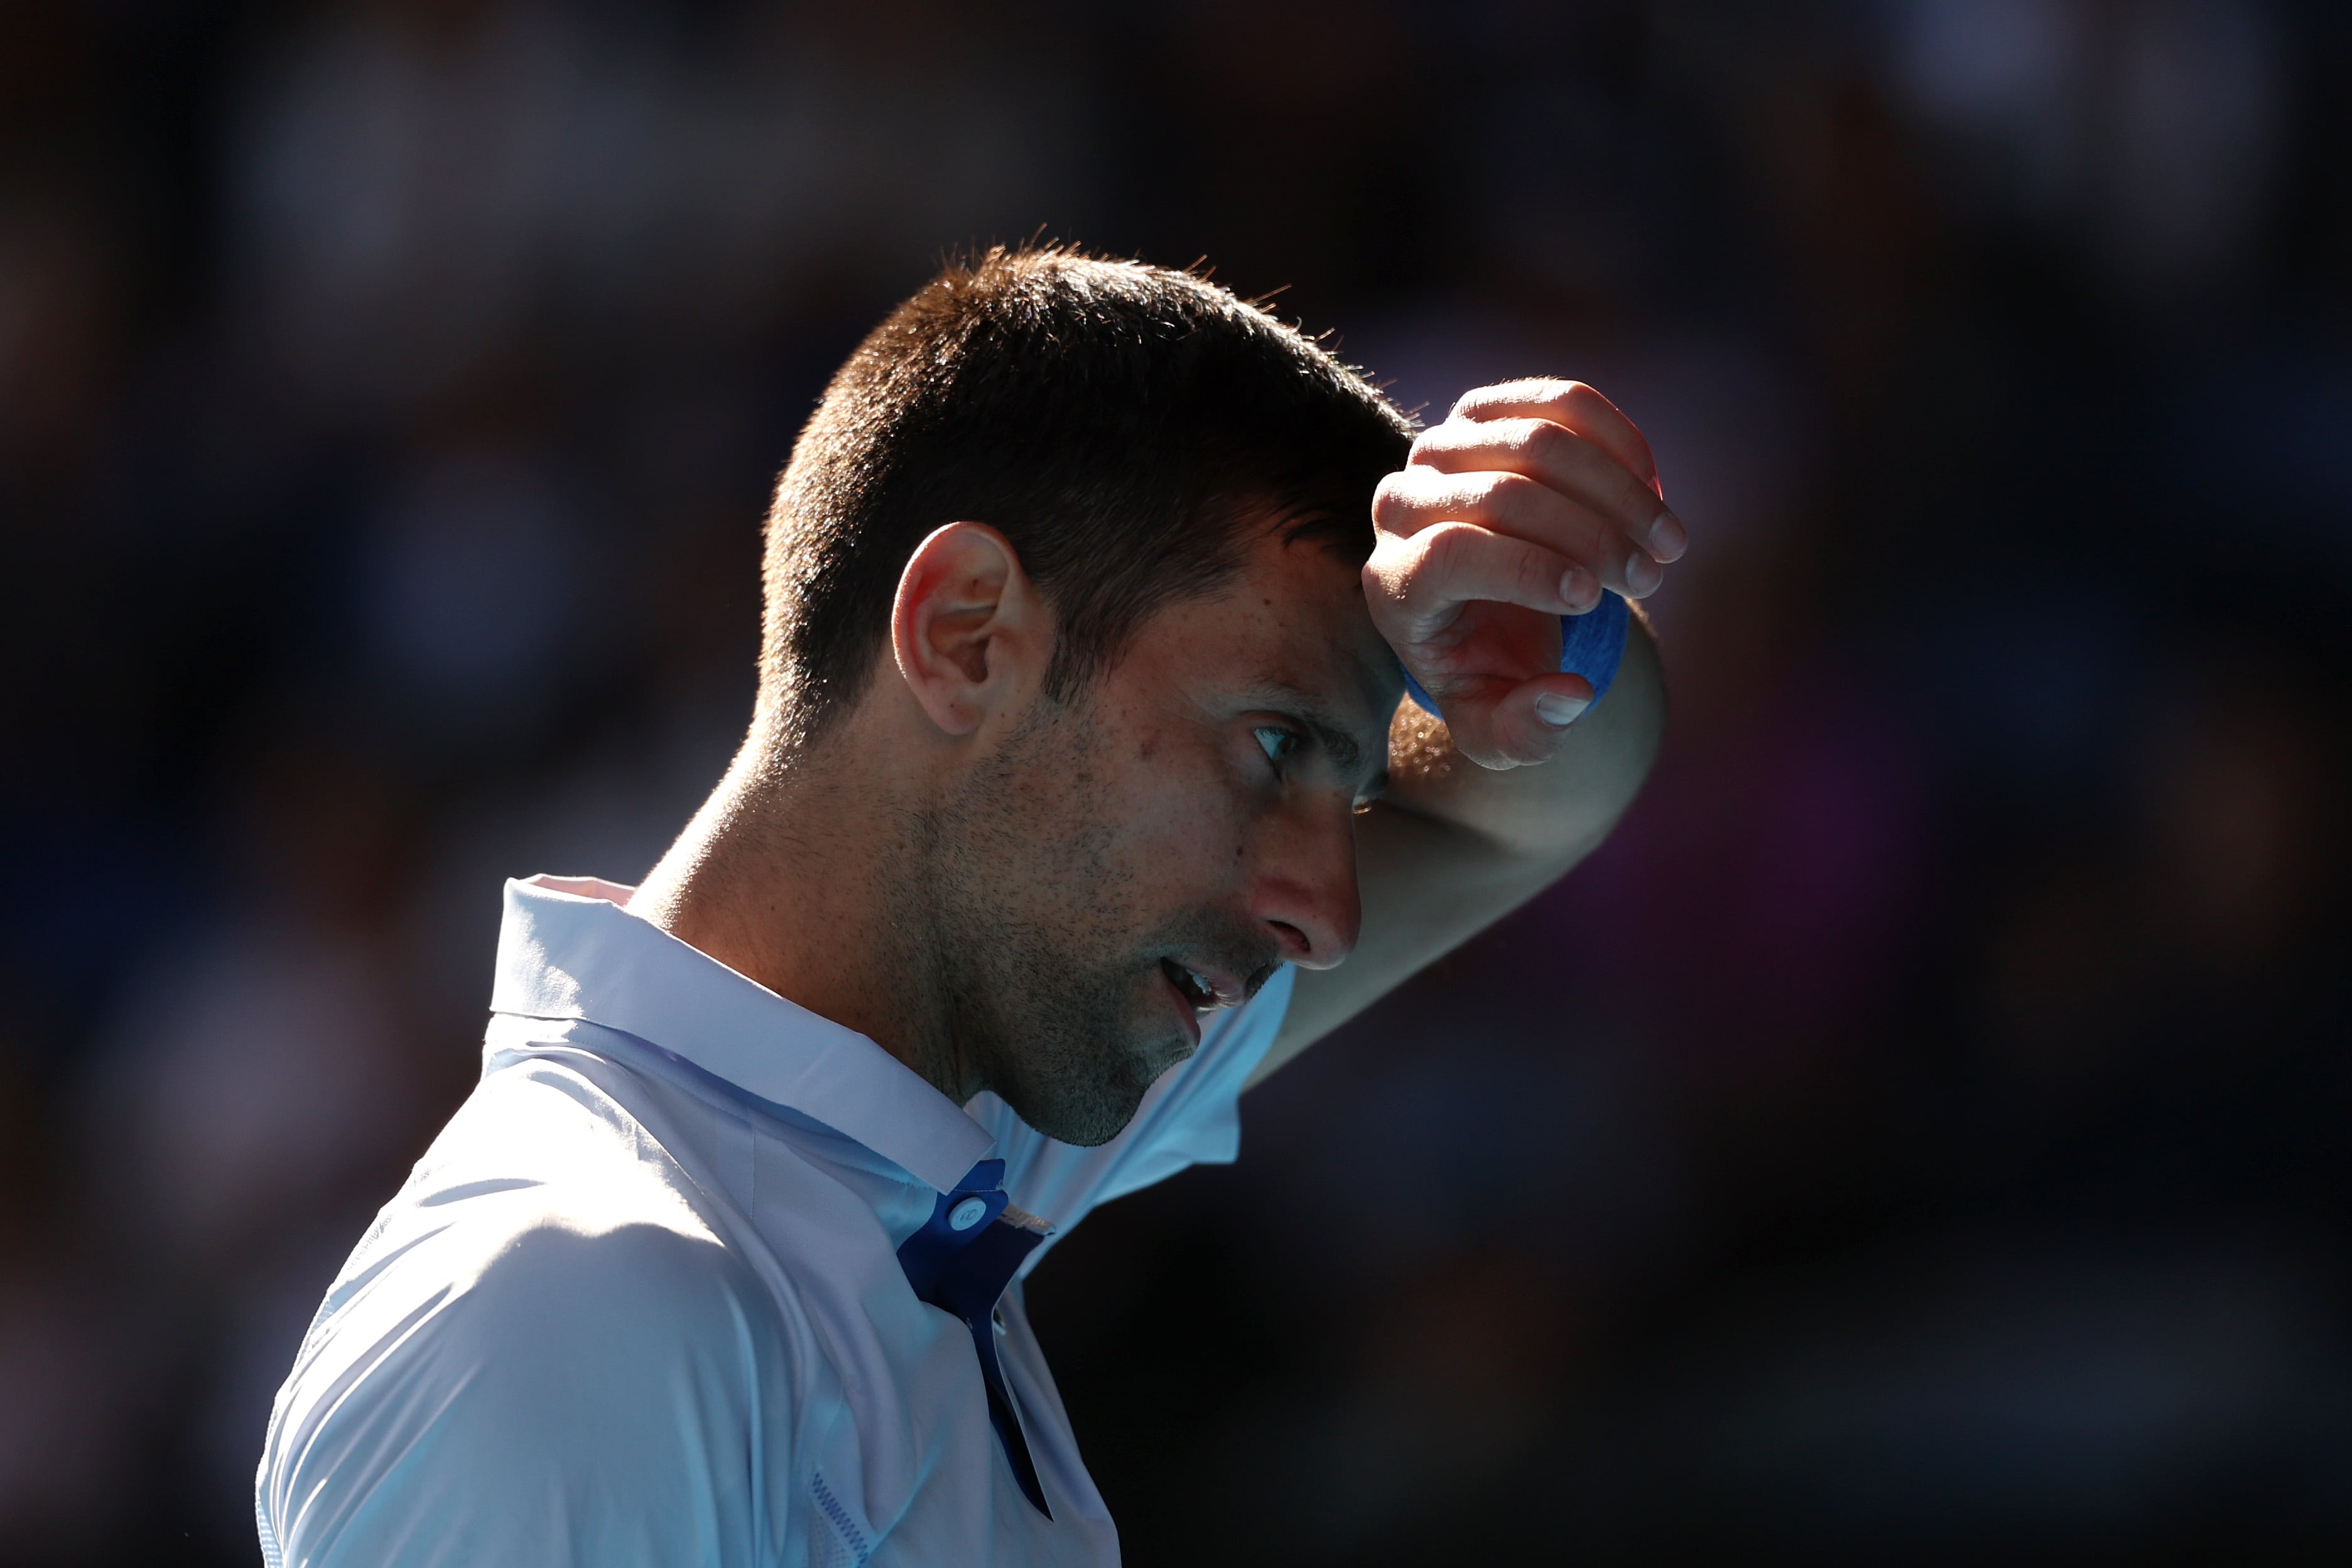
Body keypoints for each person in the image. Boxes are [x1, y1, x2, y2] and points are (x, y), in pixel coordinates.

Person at [254, 247, 1681, 1566]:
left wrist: (1524, 625)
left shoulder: (928, 1126)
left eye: (1343, 777)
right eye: (1272, 743)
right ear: (965, 636)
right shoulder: (570, 1317)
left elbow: (1523, 806)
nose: (1330, 909)